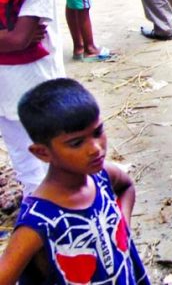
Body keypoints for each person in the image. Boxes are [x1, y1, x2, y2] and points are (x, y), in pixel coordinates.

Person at [0, 79, 149, 284]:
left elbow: (127, 187)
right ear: (42, 152)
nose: (95, 148)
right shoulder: (38, 222)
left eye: (98, 132)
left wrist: (121, 226)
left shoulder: (101, 176)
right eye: (77, 143)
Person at [0, 0, 64, 197]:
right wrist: (12, 38)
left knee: (52, 164)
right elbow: (14, 39)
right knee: (25, 165)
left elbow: (21, 38)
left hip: (36, 89)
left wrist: (16, 38)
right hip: (4, 89)